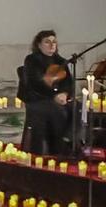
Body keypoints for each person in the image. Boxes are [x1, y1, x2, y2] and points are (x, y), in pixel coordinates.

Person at [19, 29, 76, 158]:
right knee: (57, 111)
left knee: (78, 108)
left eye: (54, 42)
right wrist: (54, 95)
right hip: (38, 99)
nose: (52, 45)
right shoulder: (32, 60)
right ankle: (56, 147)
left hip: (60, 98)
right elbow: (35, 83)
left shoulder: (61, 61)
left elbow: (68, 82)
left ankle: (69, 141)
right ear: (39, 45)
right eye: (47, 42)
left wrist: (65, 94)